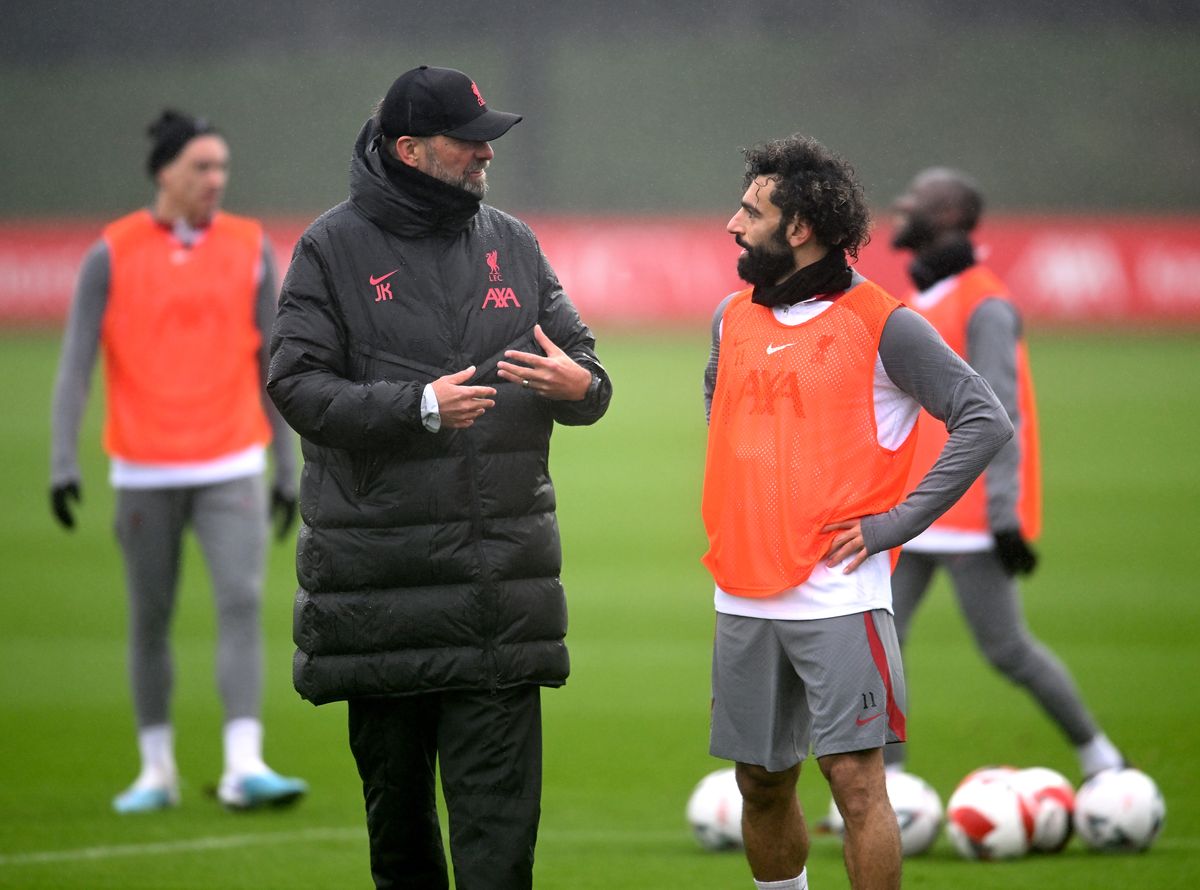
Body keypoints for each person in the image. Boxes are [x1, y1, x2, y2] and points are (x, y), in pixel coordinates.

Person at [267, 65, 612, 890]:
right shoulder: (330, 248)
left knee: (499, 854)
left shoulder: (513, 243)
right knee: (403, 847)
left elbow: (585, 367)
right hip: (380, 601)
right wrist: (416, 405)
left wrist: (586, 390)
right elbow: (295, 385)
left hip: (498, 601)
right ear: (410, 148)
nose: (486, 158)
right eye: (471, 144)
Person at [700, 135, 1013, 890]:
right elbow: (720, 400)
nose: (734, 226)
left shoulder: (882, 322)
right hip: (742, 592)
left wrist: (894, 525)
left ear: (800, 227)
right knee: (760, 783)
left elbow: (983, 419)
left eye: (752, 210)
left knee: (856, 782)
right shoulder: (730, 317)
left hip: (841, 594)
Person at [49, 109, 308, 813]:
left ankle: (243, 764)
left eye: (221, 166)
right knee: (150, 618)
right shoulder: (112, 252)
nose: (215, 179)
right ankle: (156, 769)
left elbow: (274, 365)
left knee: (242, 601)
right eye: (201, 166)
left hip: (232, 460)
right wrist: (61, 459)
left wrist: (287, 467)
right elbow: (76, 365)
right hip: (143, 466)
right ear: (164, 171)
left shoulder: (253, 249)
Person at [883, 167, 1126, 779]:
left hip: (967, 515)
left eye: (915, 201)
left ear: (944, 218)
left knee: (1007, 650)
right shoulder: (922, 299)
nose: (900, 207)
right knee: (879, 644)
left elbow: (1000, 413)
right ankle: (885, 782)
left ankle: (1103, 761)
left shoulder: (984, 303)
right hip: (915, 510)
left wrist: (1004, 517)